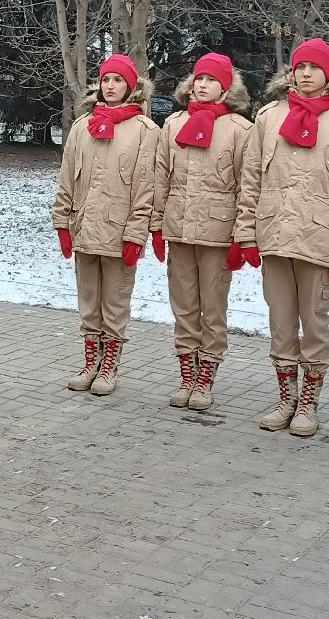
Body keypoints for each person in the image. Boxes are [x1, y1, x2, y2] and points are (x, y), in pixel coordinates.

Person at [234, 40, 329, 436]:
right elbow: (251, 178)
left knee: (314, 323)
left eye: (314, 67)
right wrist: (246, 233)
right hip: (273, 233)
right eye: (299, 67)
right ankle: (285, 397)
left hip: (320, 240)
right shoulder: (268, 117)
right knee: (280, 322)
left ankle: (309, 403)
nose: (305, 73)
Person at [53, 54, 158, 397]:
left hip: (118, 231)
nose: (110, 86)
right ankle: (89, 362)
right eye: (106, 80)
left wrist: (136, 233)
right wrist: (63, 223)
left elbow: (146, 186)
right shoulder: (83, 126)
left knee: (114, 303)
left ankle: (109, 365)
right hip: (85, 227)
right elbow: (67, 176)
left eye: (117, 80)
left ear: (131, 86)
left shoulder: (145, 131)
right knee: (88, 302)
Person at [154, 53, 251, 410]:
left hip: (217, 232)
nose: (203, 84)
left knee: (212, 309)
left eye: (211, 80)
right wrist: (156, 227)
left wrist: (242, 237)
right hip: (178, 228)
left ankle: (205, 379)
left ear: (225, 88)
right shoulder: (174, 123)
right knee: (184, 308)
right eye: (199, 78)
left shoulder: (241, 130)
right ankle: (186, 376)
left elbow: (247, 185)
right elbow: (160, 176)